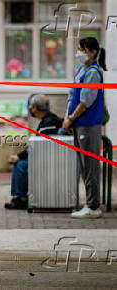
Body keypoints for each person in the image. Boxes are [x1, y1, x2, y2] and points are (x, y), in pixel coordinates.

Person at [64, 37, 106, 219]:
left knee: (90, 167)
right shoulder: (82, 69)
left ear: (92, 51)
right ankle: (90, 203)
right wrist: (68, 117)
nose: (78, 52)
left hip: (88, 124)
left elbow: (86, 101)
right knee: (84, 166)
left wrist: (71, 118)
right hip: (78, 123)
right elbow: (72, 94)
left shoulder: (93, 73)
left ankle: (93, 206)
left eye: (82, 49)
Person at [4, 94, 62, 210]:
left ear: (35, 107)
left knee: (21, 165)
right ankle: (19, 197)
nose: (30, 109)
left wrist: (19, 156)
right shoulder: (49, 120)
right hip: (49, 157)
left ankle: (21, 198)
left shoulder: (48, 123)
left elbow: (37, 146)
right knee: (20, 162)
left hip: (48, 160)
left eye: (31, 106)